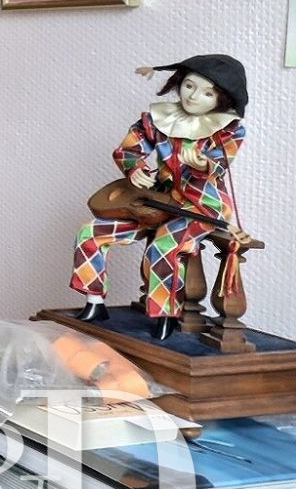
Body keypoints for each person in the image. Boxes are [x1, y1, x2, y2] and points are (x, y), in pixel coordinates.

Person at [70, 55, 256, 341]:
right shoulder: (156, 120)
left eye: (208, 93)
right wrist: (135, 169)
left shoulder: (228, 129)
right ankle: (94, 301)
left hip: (200, 207)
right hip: (157, 201)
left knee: (164, 244)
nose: (194, 96)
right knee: (91, 232)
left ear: (222, 99)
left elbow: (220, 163)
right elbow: (128, 150)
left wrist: (202, 163)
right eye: (189, 86)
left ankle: (165, 315)